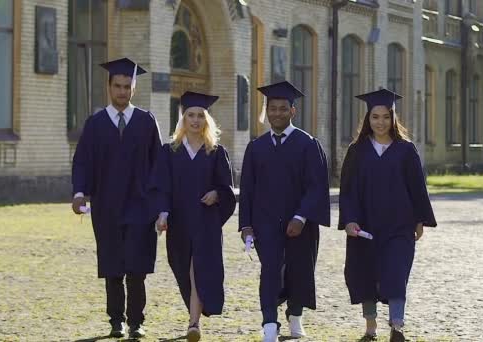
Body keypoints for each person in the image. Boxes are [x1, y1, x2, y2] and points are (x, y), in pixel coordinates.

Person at [71, 57, 162, 338]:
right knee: (112, 265)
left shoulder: (146, 122)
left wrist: (160, 206)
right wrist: (79, 193)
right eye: (118, 86)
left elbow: (158, 165)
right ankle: (116, 322)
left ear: (134, 88)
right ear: (109, 87)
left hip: (140, 206)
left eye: (127, 86)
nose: (122, 91)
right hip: (107, 206)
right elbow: (83, 161)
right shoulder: (96, 124)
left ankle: (136, 321)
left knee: (136, 266)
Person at [338, 88, 437, 342]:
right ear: (367, 119)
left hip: (399, 225)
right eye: (375, 117)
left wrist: (419, 220)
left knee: (396, 272)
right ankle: (370, 328)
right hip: (365, 225)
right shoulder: (357, 151)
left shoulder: (406, 150)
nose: (380, 122)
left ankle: (397, 325)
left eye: (385, 117)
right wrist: (349, 220)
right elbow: (347, 190)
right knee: (365, 274)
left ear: (393, 118)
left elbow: (417, 187)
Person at [239, 81, 330, 342]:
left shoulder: (307, 144)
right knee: (269, 270)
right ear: (266, 111)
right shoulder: (256, 148)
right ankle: (269, 323)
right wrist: (246, 224)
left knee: (299, 269)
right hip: (265, 222)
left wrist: (301, 216)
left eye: (282, 108)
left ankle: (295, 316)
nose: (276, 113)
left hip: (299, 222)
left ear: (293, 111)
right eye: (272, 109)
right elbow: (247, 190)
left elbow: (316, 187)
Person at [149, 91, 236, 342]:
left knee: (198, 270)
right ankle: (195, 313)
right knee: (182, 269)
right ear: (183, 119)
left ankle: (193, 323)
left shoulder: (216, 152)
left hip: (206, 222)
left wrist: (216, 194)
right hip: (178, 222)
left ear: (206, 121)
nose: (195, 120)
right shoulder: (170, 151)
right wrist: (162, 214)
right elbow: (161, 186)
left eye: (200, 116)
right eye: (190, 115)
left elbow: (227, 189)